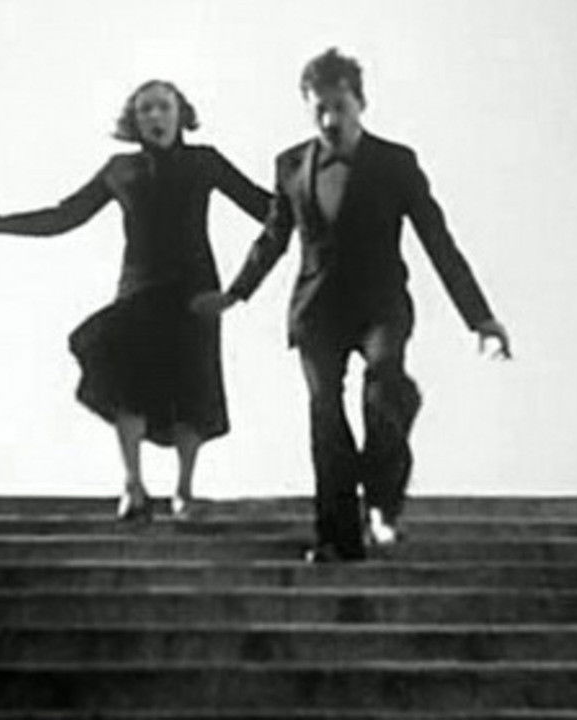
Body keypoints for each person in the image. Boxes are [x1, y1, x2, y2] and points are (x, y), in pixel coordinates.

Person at [194, 48, 511, 561]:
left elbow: (438, 240)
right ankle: (337, 537)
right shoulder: (290, 165)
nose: (329, 120)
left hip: (380, 304)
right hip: (317, 310)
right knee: (325, 411)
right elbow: (273, 237)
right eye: (319, 109)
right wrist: (236, 292)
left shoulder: (396, 163)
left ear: (360, 104)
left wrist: (480, 318)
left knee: (385, 383)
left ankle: (382, 498)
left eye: (339, 107)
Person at [0, 80, 271, 521]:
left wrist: (317, 210)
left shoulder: (204, 161)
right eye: (145, 109)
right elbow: (65, 214)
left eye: (163, 107)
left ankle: (184, 492)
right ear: (134, 121)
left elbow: (266, 208)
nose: (155, 116)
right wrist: (2, 224)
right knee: (124, 378)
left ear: (180, 113)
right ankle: (133, 483)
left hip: (196, 291)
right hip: (139, 286)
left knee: (193, 386)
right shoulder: (120, 169)